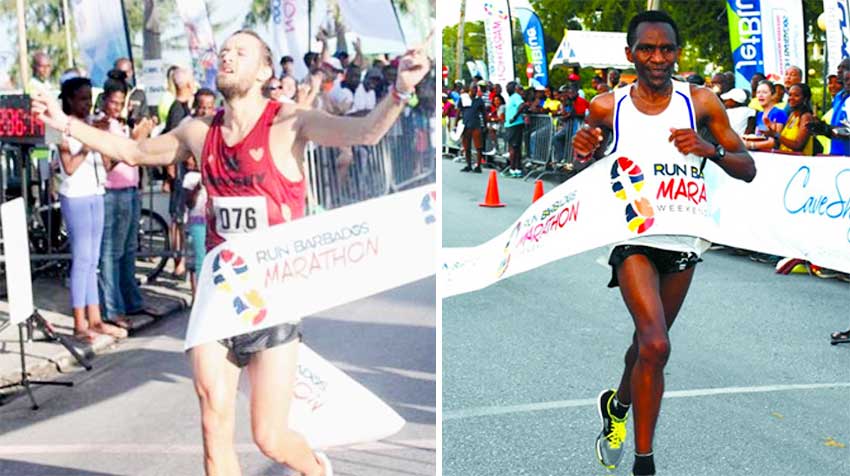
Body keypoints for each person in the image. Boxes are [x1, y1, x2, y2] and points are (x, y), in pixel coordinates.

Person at [33, 28, 428, 476]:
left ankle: (316, 469)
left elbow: (364, 133)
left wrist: (401, 89)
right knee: (213, 423)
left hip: (275, 298)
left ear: (263, 70)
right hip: (220, 297)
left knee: (270, 438)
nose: (227, 56)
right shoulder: (199, 131)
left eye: (241, 52)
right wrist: (63, 122)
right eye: (224, 51)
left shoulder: (290, 122)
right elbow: (132, 149)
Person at [572, 11, 755, 476]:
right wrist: (583, 151)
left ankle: (616, 406)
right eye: (647, 49)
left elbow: (746, 166)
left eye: (666, 49)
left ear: (677, 53)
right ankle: (644, 463)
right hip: (633, 236)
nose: (658, 58)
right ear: (629, 53)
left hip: (683, 236)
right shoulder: (606, 106)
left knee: (647, 345)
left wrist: (708, 149)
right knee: (656, 344)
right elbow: (585, 166)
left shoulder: (701, 102)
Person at [57, 77, 127, 342]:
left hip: (97, 191)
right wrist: (89, 140)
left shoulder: (92, 123)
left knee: (93, 260)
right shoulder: (60, 126)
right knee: (82, 259)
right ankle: (79, 323)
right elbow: (69, 166)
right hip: (75, 195)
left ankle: (95, 319)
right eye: (82, 99)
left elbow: (106, 163)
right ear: (70, 100)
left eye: (89, 98)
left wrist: (102, 138)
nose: (87, 104)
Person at [97, 82, 153, 331]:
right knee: (111, 252)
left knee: (129, 249)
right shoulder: (100, 125)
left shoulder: (120, 124)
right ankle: (112, 308)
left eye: (122, 103)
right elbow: (107, 162)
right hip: (112, 193)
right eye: (114, 103)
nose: (118, 108)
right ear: (104, 101)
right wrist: (132, 142)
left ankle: (132, 301)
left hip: (130, 190)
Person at [164, 67, 196, 278]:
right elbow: (172, 141)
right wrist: (171, 173)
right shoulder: (177, 109)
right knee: (177, 218)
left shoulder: (187, 107)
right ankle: (179, 260)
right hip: (179, 172)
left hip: (188, 172)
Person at [746, 83, 813, 154]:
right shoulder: (792, 115)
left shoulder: (806, 117)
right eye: (790, 95)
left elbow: (798, 145)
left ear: (805, 98)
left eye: (796, 95)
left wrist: (775, 135)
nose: (791, 98)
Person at [459, 84, 486, 173]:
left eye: (476, 89)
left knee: (479, 146)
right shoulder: (463, 98)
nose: (475, 91)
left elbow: (484, 113)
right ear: (469, 89)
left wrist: (485, 125)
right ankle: (468, 165)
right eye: (473, 89)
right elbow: (459, 111)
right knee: (467, 147)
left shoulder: (479, 100)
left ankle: (478, 165)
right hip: (466, 125)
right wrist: (456, 125)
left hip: (476, 125)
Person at [504, 81, 525, 177]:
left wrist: (515, 117)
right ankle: (516, 168)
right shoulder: (513, 97)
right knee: (515, 147)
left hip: (514, 124)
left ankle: (513, 168)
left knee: (513, 147)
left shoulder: (516, 97)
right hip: (512, 125)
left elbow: (522, 105)